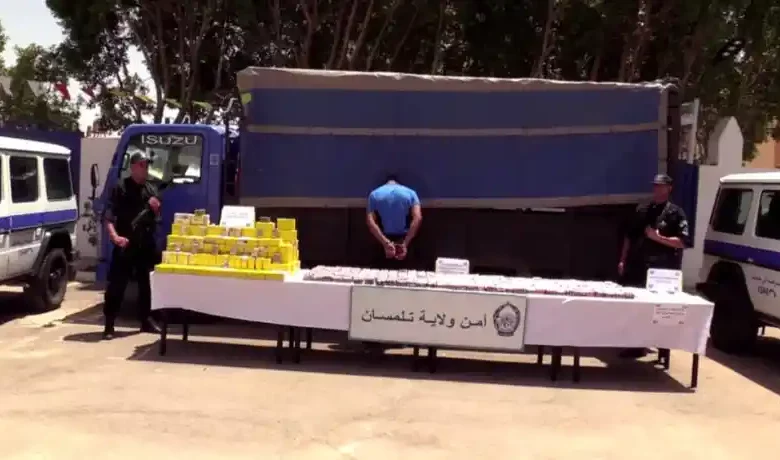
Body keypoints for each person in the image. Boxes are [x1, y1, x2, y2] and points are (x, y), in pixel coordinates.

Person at [618, 173, 690, 358]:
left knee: (662, 309)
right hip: (640, 266)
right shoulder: (643, 210)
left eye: (661, 186)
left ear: (669, 188)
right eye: (655, 186)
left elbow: (682, 242)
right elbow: (629, 237)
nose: (657, 189)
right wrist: (623, 259)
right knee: (638, 307)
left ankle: (663, 348)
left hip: (663, 270)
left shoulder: (676, 213)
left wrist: (658, 238)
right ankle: (636, 345)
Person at [102, 152, 162, 340]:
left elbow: (157, 217)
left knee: (146, 284)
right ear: (133, 167)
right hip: (125, 243)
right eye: (143, 165)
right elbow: (108, 217)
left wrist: (156, 208)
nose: (146, 169)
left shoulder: (151, 188)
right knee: (117, 286)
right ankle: (109, 325)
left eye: (147, 165)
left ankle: (146, 320)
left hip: (145, 244)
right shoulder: (120, 188)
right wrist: (115, 237)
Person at [366, 175, 423, 269]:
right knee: (405, 274)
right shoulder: (411, 193)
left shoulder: (374, 194)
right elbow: (418, 218)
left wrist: (386, 243)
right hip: (404, 238)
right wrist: (405, 244)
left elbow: (370, 221)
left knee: (381, 274)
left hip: (382, 240)